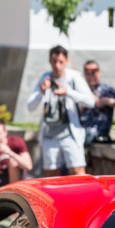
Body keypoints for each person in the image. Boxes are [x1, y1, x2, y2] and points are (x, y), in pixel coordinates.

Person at [26, 45, 95, 176]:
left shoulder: (73, 77)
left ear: (66, 61)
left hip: (70, 134)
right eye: (54, 61)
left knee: (77, 172)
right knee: (51, 175)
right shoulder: (45, 78)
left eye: (61, 62)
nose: (57, 65)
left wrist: (67, 92)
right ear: (49, 61)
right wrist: (41, 92)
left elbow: (90, 101)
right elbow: (30, 107)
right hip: (49, 135)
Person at [79, 60, 115, 144]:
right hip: (81, 135)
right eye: (87, 72)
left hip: (99, 136)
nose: (90, 76)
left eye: (93, 72)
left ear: (99, 72)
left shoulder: (106, 90)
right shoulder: (80, 91)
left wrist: (106, 101)